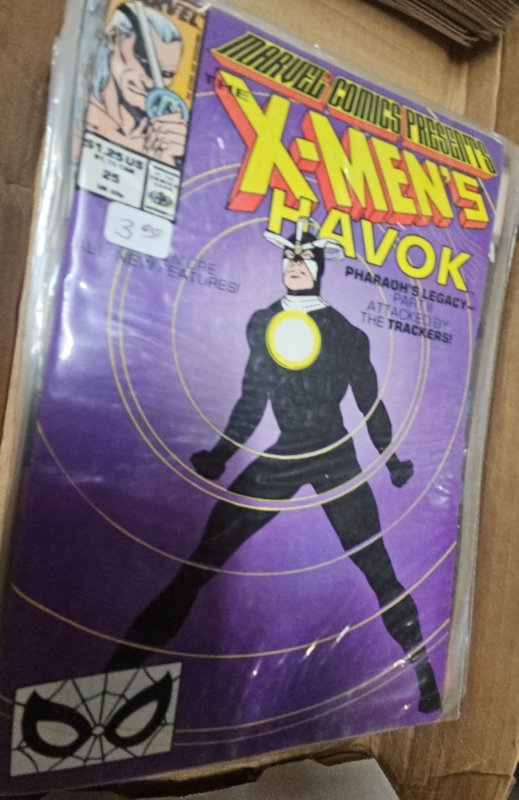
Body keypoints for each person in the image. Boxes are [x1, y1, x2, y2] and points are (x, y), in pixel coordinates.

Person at [107, 219, 441, 714]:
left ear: (321, 266)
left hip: (336, 457)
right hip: (284, 455)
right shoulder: (264, 322)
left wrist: (390, 460)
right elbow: (252, 400)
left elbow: (369, 404)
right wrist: (220, 456)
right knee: (200, 564)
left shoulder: (347, 334)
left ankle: (426, 682)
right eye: (289, 257)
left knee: (379, 572)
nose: (296, 264)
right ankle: (113, 677)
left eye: (306, 258)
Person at [86, 2, 187, 164]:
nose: (151, 82)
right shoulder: (83, 110)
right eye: (144, 61)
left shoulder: (166, 130)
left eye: (167, 74)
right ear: (114, 37)